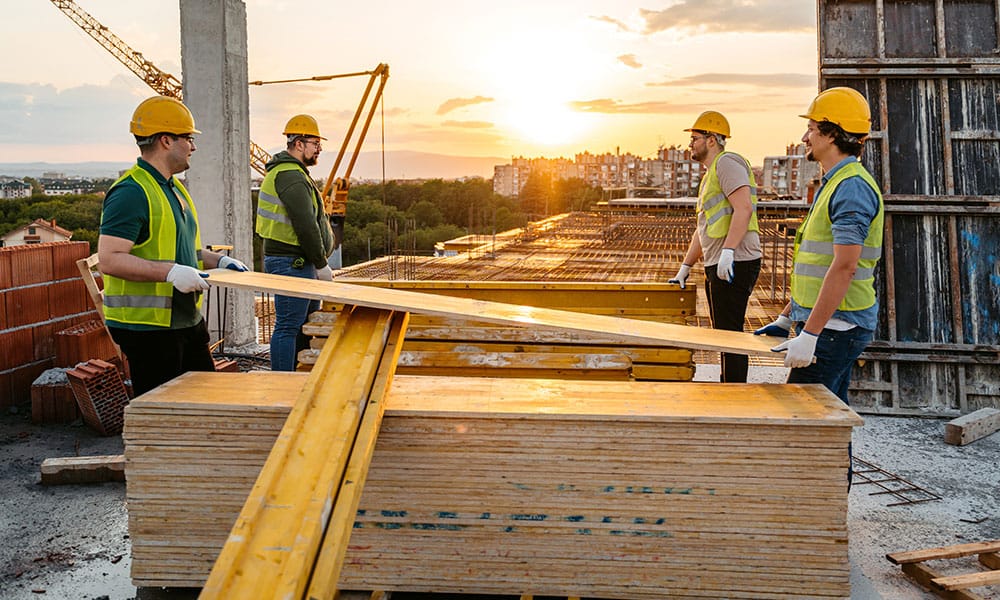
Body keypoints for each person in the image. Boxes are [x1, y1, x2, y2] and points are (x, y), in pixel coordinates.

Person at [99, 95, 248, 396]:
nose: (193, 146)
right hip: (149, 330)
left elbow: (184, 252)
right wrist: (169, 273)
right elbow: (110, 259)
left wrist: (217, 261)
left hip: (184, 319)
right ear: (166, 140)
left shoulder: (173, 188)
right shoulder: (131, 192)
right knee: (164, 415)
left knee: (204, 401)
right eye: (188, 138)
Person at [755, 87, 884, 405]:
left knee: (802, 418)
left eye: (811, 129)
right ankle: (840, 457)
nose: (804, 137)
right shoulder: (836, 182)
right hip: (832, 323)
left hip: (836, 327)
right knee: (829, 421)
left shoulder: (851, 188)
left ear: (832, 134)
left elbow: (844, 266)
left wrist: (810, 334)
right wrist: (788, 317)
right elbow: (821, 263)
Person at [670, 111, 762, 383]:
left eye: (695, 138)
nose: (690, 144)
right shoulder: (710, 175)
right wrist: (686, 266)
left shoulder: (727, 163)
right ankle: (729, 387)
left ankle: (734, 392)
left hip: (736, 262)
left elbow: (743, 209)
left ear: (712, 140)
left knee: (730, 334)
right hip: (720, 262)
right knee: (722, 332)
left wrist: (729, 252)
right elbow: (704, 228)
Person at [255, 114, 336, 371]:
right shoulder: (290, 175)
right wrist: (322, 263)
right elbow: (305, 225)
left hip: (299, 262)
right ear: (298, 144)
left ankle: (297, 376)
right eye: (315, 143)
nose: (319, 149)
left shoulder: (293, 173)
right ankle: (282, 382)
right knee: (289, 326)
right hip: (291, 263)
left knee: (303, 324)